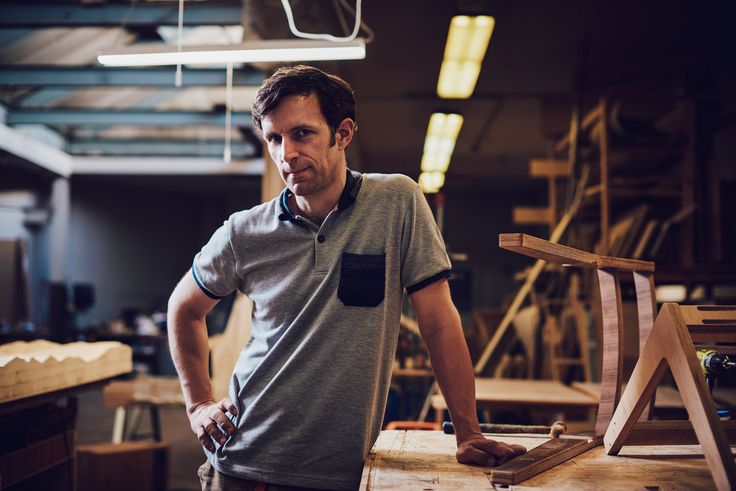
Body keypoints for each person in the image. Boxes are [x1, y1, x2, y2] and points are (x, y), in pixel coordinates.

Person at [167, 65, 526, 491]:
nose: (286, 154)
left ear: (343, 133)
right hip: (246, 462)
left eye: (302, 134)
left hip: (345, 469)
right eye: (274, 139)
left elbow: (438, 321)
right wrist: (199, 406)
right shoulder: (243, 232)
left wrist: (468, 432)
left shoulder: (397, 203)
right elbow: (183, 308)